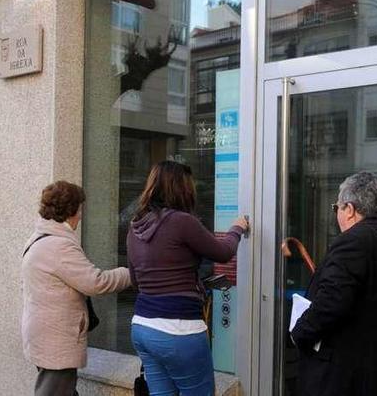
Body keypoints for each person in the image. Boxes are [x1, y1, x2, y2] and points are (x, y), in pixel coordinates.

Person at [127, 160, 249, 396]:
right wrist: (237, 228)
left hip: (142, 326)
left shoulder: (136, 226)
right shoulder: (181, 221)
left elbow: (135, 280)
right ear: (182, 188)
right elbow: (223, 252)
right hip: (178, 328)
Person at [290, 171, 377, 396]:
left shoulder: (351, 242)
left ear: (349, 209)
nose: (336, 214)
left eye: (335, 208)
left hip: (346, 378)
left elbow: (331, 302)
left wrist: (299, 332)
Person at [21, 181, 132, 396]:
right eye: (80, 209)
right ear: (70, 210)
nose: (81, 215)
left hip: (43, 333)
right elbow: (96, 283)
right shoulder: (59, 246)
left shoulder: (38, 238)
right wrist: (132, 273)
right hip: (56, 339)